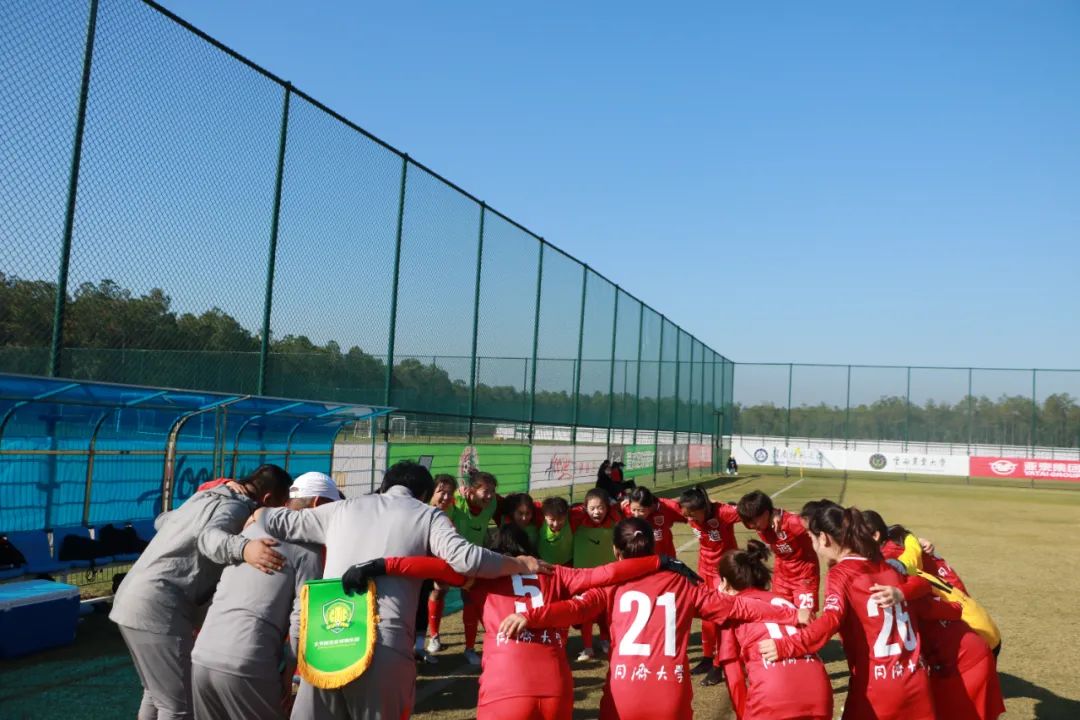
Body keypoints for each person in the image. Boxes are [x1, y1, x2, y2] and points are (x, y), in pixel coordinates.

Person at [257, 461, 548, 720]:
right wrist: (518, 563)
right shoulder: (427, 515)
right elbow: (467, 559)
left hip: (326, 644)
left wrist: (246, 512)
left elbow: (274, 520)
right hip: (383, 645)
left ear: (384, 485)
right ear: (423, 494)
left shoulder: (341, 508)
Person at [342, 523, 701, 720]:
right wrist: (658, 563)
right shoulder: (552, 572)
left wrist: (378, 565)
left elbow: (432, 567)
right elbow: (605, 572)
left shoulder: (482, 576)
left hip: (506, 688)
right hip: (557, 688)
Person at [500, 517, 809, 720]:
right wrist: (791, 613)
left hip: (624, 694)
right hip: (669, 694)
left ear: (616, 550)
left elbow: (576, 609)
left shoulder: (610, 583)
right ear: (653, 546)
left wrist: (531, 616)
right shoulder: (684, 583)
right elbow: (739, 608)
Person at [110, 464, 293, 720]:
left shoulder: (204, 496)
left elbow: (162, 521)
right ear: (267, 499)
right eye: (279, 506)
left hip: (131, 595)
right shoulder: (238, 506)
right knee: (179, 706)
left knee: (156, 695)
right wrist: (244, 548)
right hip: (160, 604)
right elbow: (209, 538)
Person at [758, 505, 935, 720]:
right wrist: (901, 591)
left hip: (879, 686)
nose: (813, 546)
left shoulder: (841, 573)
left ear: (823, 538)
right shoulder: (884, 565)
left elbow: (830, 620)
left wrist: (786, 645)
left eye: (811, 538)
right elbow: (923, 582)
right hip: (916, 680)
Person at [190, 472, 343, 720]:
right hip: (248, 660)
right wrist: (289, 672)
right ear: (319, 505)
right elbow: (302, 616)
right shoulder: (308, 547)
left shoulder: (249, 530)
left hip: (203, 657)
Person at [715, 541, 833, 720]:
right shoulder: (784, 602)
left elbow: (735, 678)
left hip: (773, 698)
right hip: (818, 693)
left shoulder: (729, 612)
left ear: (724, 582)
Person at [677, 486, 741, 685]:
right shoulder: (687, 511)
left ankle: (718, 665)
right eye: (687, 516)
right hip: (704, 568)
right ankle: (706, 658)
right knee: (705, 615)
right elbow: (660, 504)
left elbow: (750, 510)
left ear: (704, 507)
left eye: (693, 515)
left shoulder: (724, 513)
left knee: (721, 618)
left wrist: (776, 515)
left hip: (724, 573)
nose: (690, 519)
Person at [449, 470, 502, 665]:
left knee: (471, 600)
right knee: (437, 592)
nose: (490, 496)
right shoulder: (456, 499)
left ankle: (470, 648)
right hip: (447, 559)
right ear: (470, 490)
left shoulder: (492, 504)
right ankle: (432, 638)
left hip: (472, 562)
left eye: (492, 491)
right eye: (485, 491)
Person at [737, 490, 821, 612]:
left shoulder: (792, 523)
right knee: (781, 617)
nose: (752, 526)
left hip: (804, 577)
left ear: (766, 513)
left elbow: (822, 520)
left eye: (754, 522)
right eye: (749, 523)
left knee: (805, 620)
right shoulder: (761, 523)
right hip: (781, 578)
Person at [570, 488, 622, 660]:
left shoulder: (615, 519)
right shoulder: (577, 520)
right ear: (585, 508)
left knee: (606, 611)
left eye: (600, 507)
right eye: (592, 508)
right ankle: (587, 647)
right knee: (587, 611)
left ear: (607, 508)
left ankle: (605, 640)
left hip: (608, 575)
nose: (596, 512)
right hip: (584, 576)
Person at [423, 474, 459, 657]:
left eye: (449, 493)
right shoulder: (421, 510)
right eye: (441, 492)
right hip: (418, 561)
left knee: (440, 591)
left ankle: (434, 636)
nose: (445, 497)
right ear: (431, 492)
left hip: (440, 561)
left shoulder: (454, 510)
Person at [622, 486, 686, 558]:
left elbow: (691, 516)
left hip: (665, 561)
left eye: (641, 510)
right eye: (633, 510)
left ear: (651, 506)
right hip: (641, 562)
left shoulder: (668, 508)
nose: (636, 515)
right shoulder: (626, 508)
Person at [537, 496, 573, 567]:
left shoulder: (572, 521)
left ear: (566, 515)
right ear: (544, 516)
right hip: (545, 563)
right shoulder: (539, 521)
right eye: (552, 519)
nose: (556, 524)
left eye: (560, 519)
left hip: (567, 562)